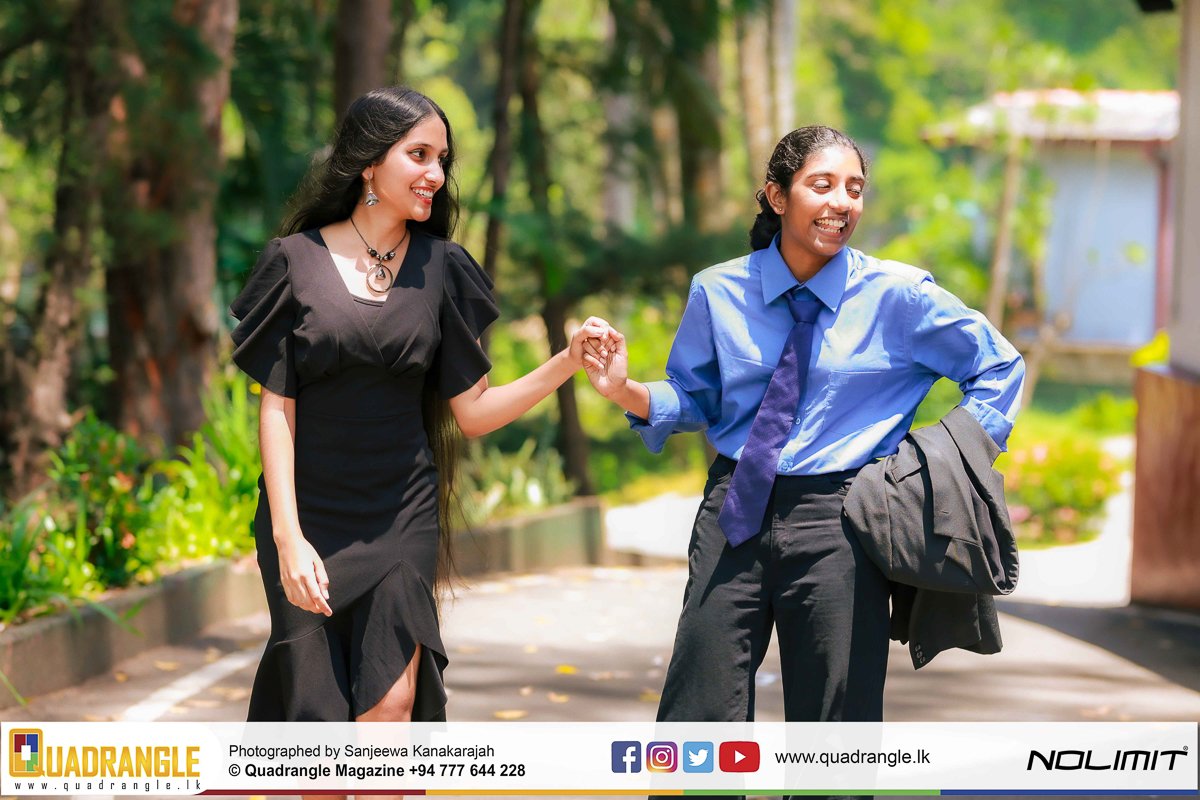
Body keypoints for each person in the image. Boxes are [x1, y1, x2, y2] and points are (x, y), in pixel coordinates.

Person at [586, 125, 1025, 730]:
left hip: (843, 521)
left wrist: (938, 461)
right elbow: (696, 397)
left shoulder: (898, 296)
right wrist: (622, 390)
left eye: (854, 188)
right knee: (698, 713)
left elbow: (999, 366)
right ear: (777, 196)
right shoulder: (718, 290)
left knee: (834, 728)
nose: (841, 202)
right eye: (822, 185)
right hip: (734, 509)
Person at [229, 86, 610, 728]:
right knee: (315, 724)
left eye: (442, 159)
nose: (436, 173)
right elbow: (277, 410)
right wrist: (287, 538)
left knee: (392, 706)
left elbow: (475, 413)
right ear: (368, 163)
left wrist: (566, 360)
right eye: (419, 154)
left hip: (401, 514)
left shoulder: (443, 268)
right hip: (309, 517)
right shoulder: (293, 264)